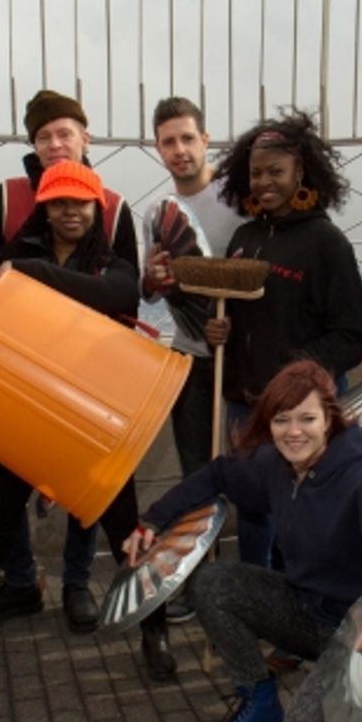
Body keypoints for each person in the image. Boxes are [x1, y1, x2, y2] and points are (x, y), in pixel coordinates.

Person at [0, 160, 177, 680]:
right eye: (59, 202)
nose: (70, 211)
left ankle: (155, 629)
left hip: (92, 416)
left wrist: (28, 274)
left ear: (96, 208)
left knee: (125, 527)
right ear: (44, 209)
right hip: (26, 412)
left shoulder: (107, 262)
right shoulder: (15, 251)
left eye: (81, 202)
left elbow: (119, 295)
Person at [122, 360, 362, 722]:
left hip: (357, 632)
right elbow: (218, 475)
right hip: (304, 611)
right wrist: (152, 521)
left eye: (307, 419)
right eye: (282, 420)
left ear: (329, 419)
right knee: (213, 583)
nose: (294, 432)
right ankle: (259, 703)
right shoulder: (276, 466)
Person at [0, 89, 139, 630]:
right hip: (24, 385)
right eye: (44, 136)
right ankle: (3, 591)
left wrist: (31, 275)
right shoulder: (12, 202)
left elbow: (124, 291)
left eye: (65, 133)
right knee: (0, 501)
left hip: (90, 384)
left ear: (85, 137)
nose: (55, 144)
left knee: (98, 501)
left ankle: (79, 584)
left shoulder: (114, 210)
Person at [207, 109, 362, 566]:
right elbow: (235, 316)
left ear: (301, 172)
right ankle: (253, 593)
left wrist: (291, 378)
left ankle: (300, 596)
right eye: (256, 173)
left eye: (276, 171)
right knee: (254, 508)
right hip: (245, 407)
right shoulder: (243, 237)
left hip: (300, 411)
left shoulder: (327, 242)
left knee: (303, 510)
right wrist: (219, 329)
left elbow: (351, 336)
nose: (264, 182)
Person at [140, 96, 245, 623]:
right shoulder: (155, 213)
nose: (179, 150)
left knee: (256, 469)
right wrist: (153, 279)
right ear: (157, 148)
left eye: (187, 138)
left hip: (244, 357)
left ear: (206, 140)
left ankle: (256, 584)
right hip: (189, 356)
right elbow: (150, 289)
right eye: (168, 142)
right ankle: (198, 582)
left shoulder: (239, 200)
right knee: (196, 474)